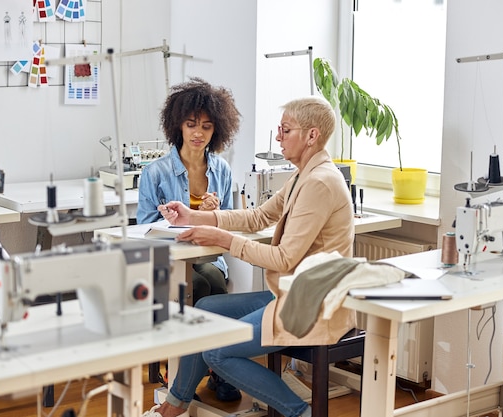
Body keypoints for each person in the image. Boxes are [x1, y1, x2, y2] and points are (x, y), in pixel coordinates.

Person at [145, 96, 356, 417]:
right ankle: (175, 403)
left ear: (312, 136)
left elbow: (284, 258)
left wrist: (223, 239)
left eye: (286, 130)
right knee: (204, 310)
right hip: (291, 293)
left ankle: (298, 413)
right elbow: (257, 217)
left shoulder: (320, 183)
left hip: (312, 305)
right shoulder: (303, 175)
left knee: (217, 351)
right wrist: (195, 216)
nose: (278, 137)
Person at [137, 77, 241, 305]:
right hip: (169, 255)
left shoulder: (221, 169)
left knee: (215, 279)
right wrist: (169, 221)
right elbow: (143, 228)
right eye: (191, 125)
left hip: (206, 254)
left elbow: (232, 221)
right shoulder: (155, 172)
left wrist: (214, 215)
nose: (198, 133)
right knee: (199, 286)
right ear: (178, 125)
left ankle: (218, 338)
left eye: (207, 126)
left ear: (217, 130)